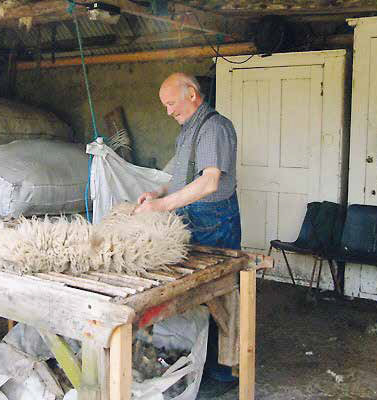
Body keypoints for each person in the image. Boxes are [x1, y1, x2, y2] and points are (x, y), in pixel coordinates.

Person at [135, 72, 241, 393]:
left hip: (214, 224)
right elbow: (183, 180)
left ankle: (222, 374)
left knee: (219, 298)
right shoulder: (187, 131)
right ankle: (196, 364)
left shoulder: (214, 129)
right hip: (192, 219)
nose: (167, 111)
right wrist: (158, 194)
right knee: (190, 298)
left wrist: (163, 206)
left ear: (192, 94)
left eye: (171, 103)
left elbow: (209, 182)